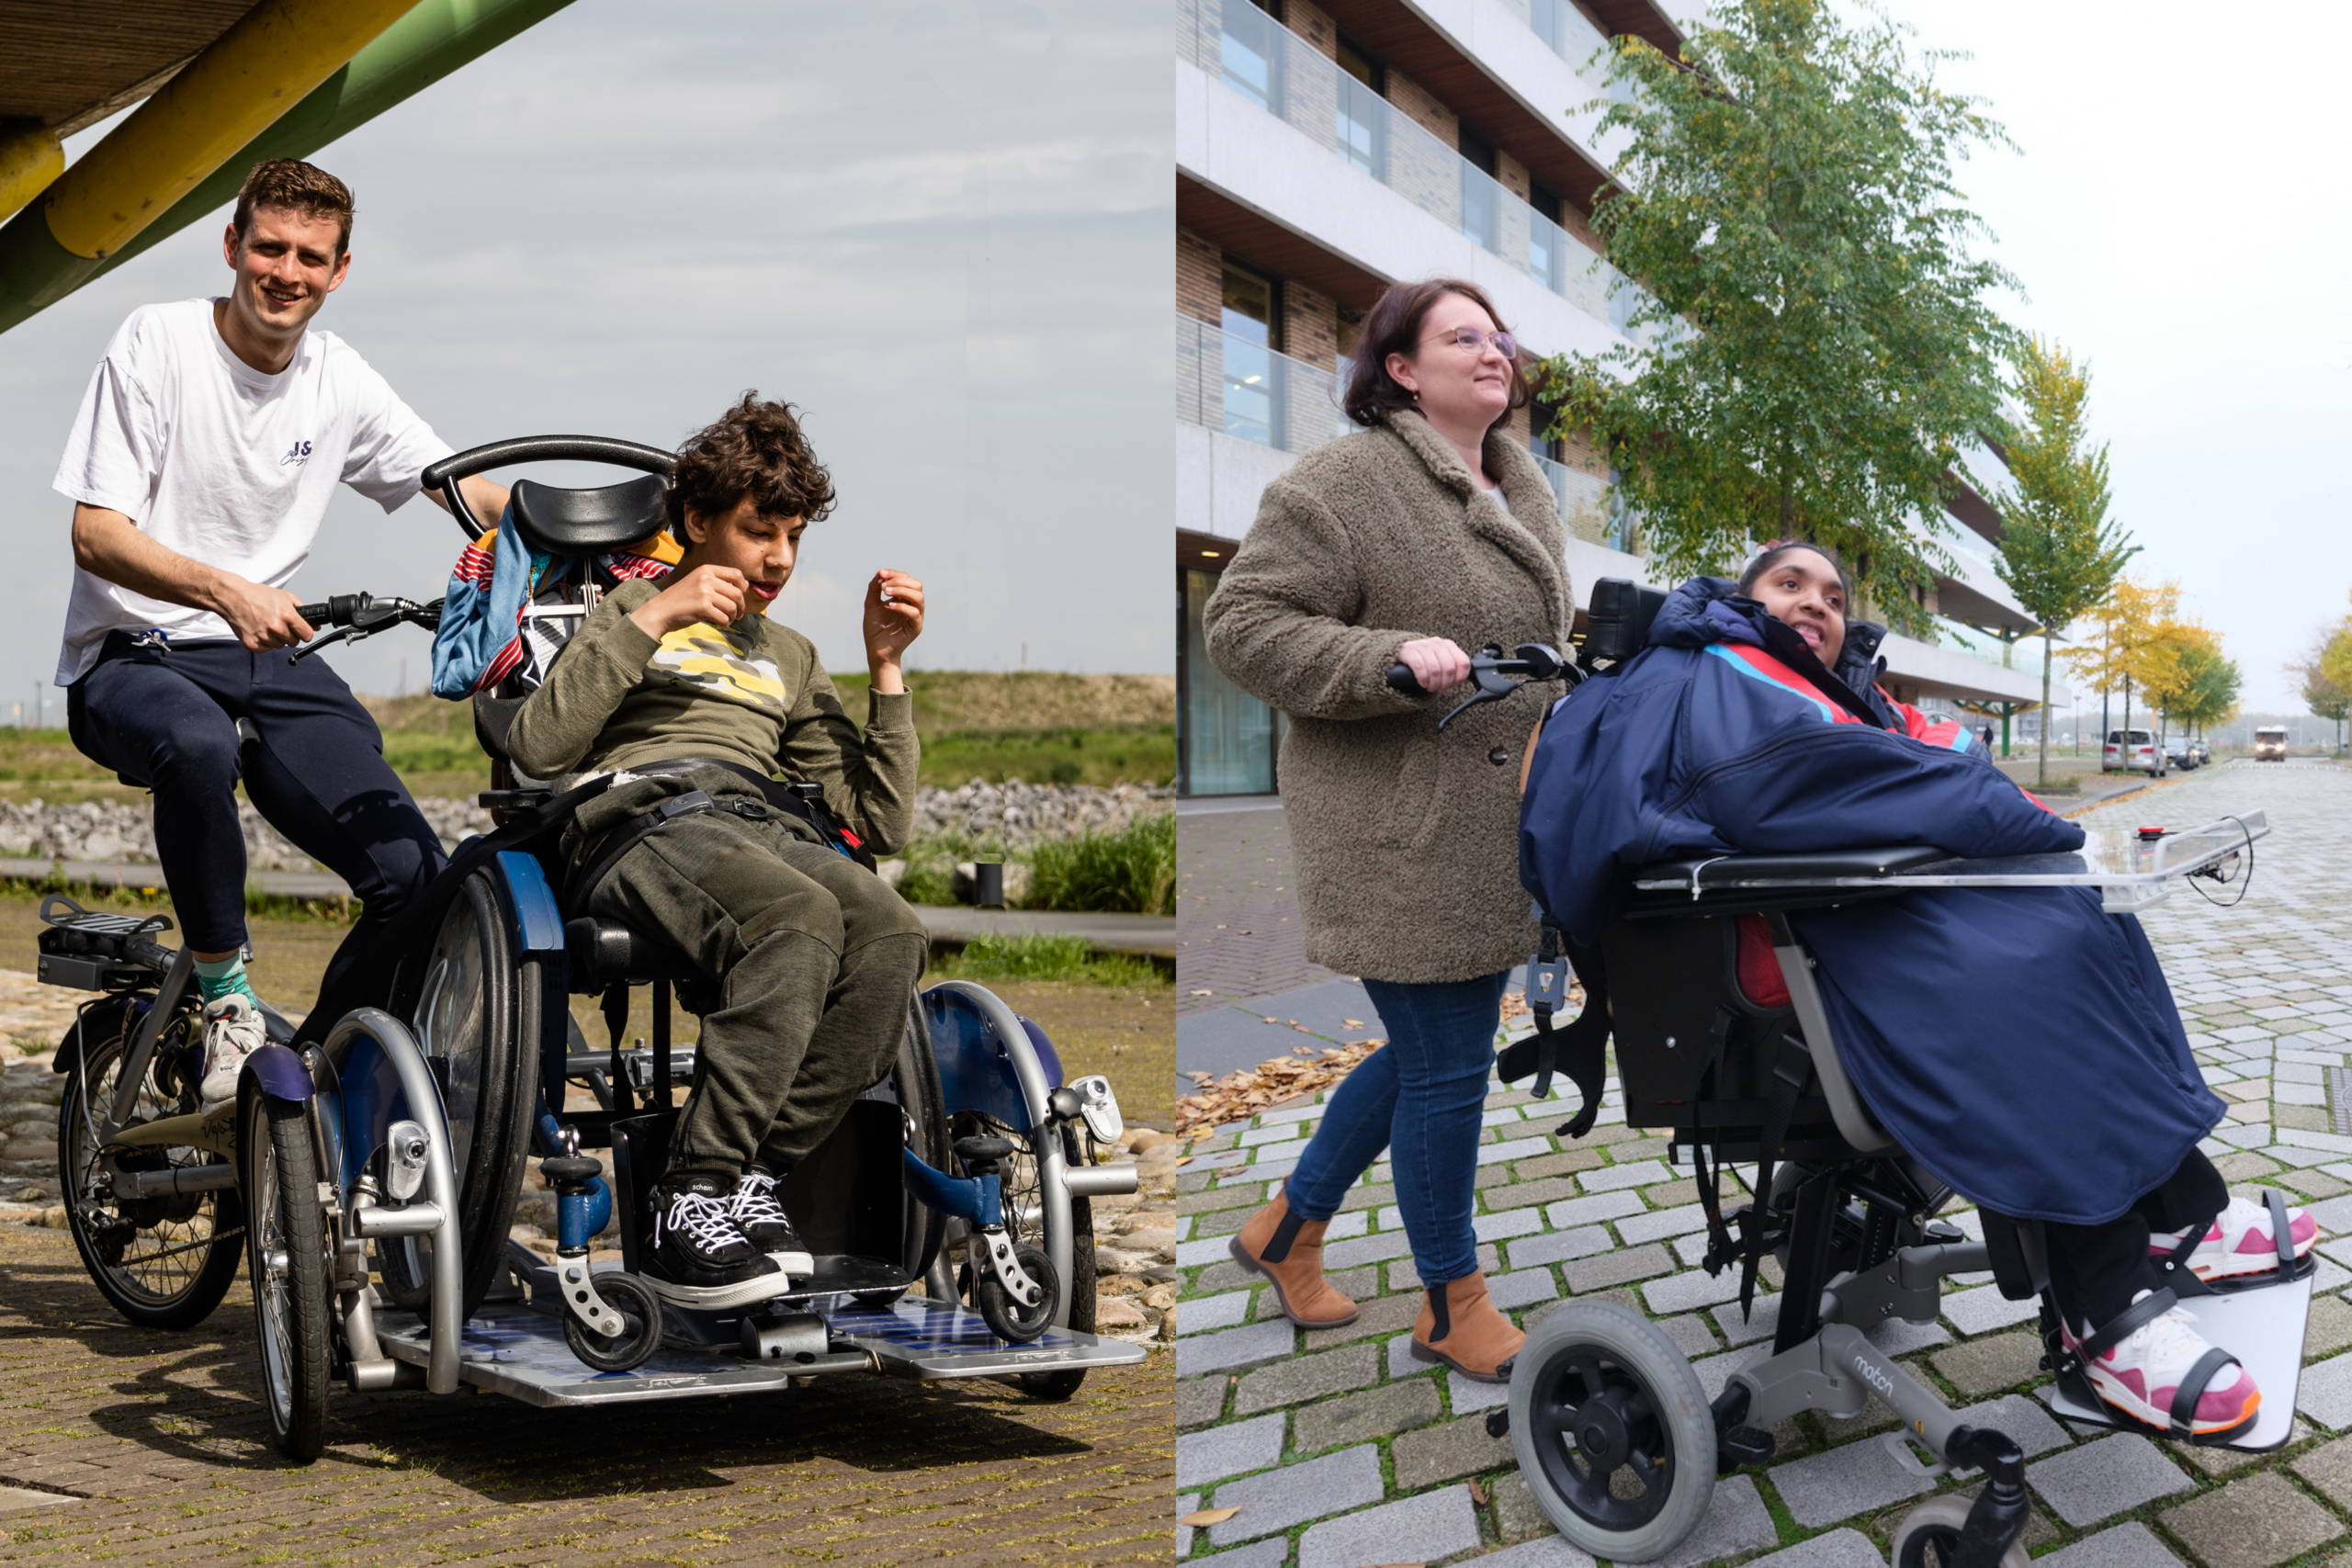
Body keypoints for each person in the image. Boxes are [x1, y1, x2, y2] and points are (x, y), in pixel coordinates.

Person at [1520, 541, 2313, 1437]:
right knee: (2026, 980)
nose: (1816, 602)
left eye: (1831, 593)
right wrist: (2015, 817)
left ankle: (2178, 1211)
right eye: (1790, 585)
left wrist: (1992, 802)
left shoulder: (1826, 688)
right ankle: (2106, 1307)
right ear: (1741, 603)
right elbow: (1800, 780)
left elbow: (1928, 751)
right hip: (1796, 957)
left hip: (1859, 917)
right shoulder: (1722, 670)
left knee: (2083, 921)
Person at [53, 159, 510, 1110]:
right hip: (134, 654)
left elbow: (461, 490)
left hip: (269, 655)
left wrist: (621, 532)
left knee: (410, 874)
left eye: (310, 256)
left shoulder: (338, 376)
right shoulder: (158, 342)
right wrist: (226, 591)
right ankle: (224, 999)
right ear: (232, 247)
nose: (286, 271)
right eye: (269, 247)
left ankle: (303, 1083)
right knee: (196, 743)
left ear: (340, 271)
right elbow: (95, 534)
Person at [1203, 278, 1574, 1382]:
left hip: (1495, 827)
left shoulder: (1518, 481)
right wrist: (1385, 658)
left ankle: (1285, 1228)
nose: (1493, 352)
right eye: (1464, 336)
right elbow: (1241, 625)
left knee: (1428, 1052)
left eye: (1499, 336)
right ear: (1402, 369)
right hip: (1396, 831)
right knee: (1449, 1064)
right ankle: (1450, 1305)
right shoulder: (1342, 481)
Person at [504, 393, 928, 1311]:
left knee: (890, 931)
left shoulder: (791, 652)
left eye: (792, 538)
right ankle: (685, 1198)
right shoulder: (625, 607)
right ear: (696, 521)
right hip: (642, 823)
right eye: (755, 531)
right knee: (796, 919)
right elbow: (536, 748)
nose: (777, 558)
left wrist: (887, 669)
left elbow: (880, 823)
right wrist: (657, 614)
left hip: (760, 824)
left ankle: (741, 1177)